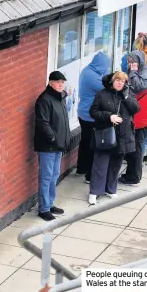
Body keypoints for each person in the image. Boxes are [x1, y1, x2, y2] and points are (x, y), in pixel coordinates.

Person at [88, 72, 140, 204]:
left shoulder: (127, 94)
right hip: (106, 134)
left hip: (122, 136)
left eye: (122, 81)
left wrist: (127, 96)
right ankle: (95, 191)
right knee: (100, 164)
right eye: (117, 80)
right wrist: (109, 116)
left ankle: (110, 189)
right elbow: (93, 112)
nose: (119, 83)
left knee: (115, 164)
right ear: (112, 81)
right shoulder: (102, 94)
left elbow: (135, 109)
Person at [118, 37, 147, 186]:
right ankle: (130, 174)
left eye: (132, 62)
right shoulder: (141, 68)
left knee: (137, 148)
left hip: (142, 117)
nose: (130, 65)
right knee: (133, 148)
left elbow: (137, 86)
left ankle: (134, 177)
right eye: (129, 62)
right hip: (137, 116)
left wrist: (132, 71)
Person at [34, 71, 71, 221]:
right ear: (50, 82)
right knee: (46, 176)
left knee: (54, 175)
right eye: (57, 82)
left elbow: (64, 121)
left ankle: (49, 204)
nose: (60, 84)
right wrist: (53, 138)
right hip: (47, 146)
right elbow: (43, 123)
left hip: (58, 145)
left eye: (62, 82)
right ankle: (43, 209)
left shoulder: (61, 97)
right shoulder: (44, 100)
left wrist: (65, 139)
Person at [76, 51, 111, 184]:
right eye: (106, 66)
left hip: (83, 112)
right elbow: (106, 88)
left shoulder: (88, 70)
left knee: (85, 141)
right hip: (90, 115)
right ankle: (89, 175)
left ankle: (81, 168)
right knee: (92, 145)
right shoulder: (91, 76)